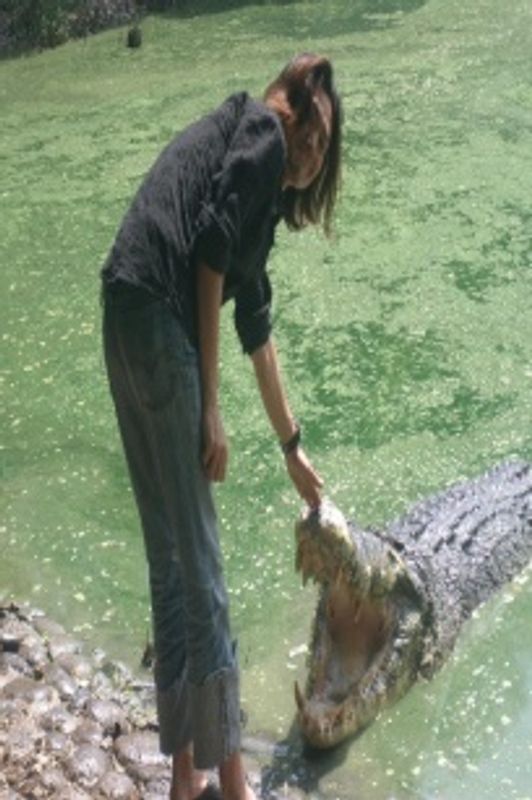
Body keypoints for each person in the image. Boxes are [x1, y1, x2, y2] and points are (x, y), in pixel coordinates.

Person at [101, 53, 342, 800]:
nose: (315, 153)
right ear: (292, 106)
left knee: (171, 562)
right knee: (203, 570)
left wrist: (292, 449)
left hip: (121, 311)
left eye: (326, 145)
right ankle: (232, 782)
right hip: (160, 325)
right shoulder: (261, 136)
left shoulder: (251, 185)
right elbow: (206, 259)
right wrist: (210, 404)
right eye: (315, 132)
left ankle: (183, 776)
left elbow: (255, 325)